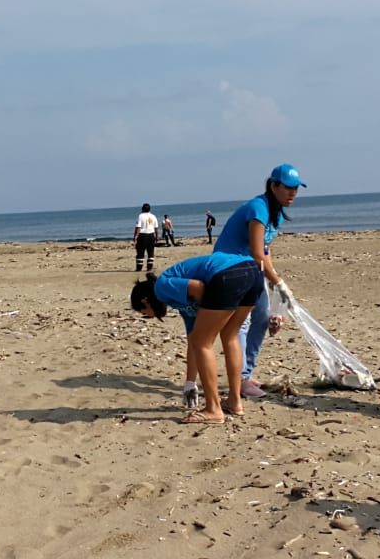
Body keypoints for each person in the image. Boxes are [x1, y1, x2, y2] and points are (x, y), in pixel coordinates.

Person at [130, 252, 263, 424]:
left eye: (144, 313)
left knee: (204, 343)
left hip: (227, 275)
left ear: (145, 301)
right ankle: (234, 401)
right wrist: (190, 383)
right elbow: (192, 342)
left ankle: (213, 409)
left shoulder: (161, 287)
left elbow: (198, 287)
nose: (149, 316)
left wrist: (208, 312)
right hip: (253, 270)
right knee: (229, 336)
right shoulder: (181, 303)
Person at [211, 164, 304, 398]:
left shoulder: (277, 212)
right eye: (288, 188)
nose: (293, 193)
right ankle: (240, 380)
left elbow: (265, 249)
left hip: (252, 269)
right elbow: (255, 252)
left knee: (262, 318)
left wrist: (273, 281)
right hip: (231, 268)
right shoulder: (258, 208)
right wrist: (279, 282)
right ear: (274, 185)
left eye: (296, 188)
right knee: (241, 323)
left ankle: (246, 372)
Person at [134, 203, 159, 272]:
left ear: (142, 209)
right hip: (151, 235)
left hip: (142, 235)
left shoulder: (141, 216)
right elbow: (156, 228)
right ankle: (149, 267)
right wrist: (157, 236)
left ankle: (139, 268)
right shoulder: (153, 216)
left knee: (140, 252)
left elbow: (138, 227)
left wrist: (135, 236)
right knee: (151, 252)